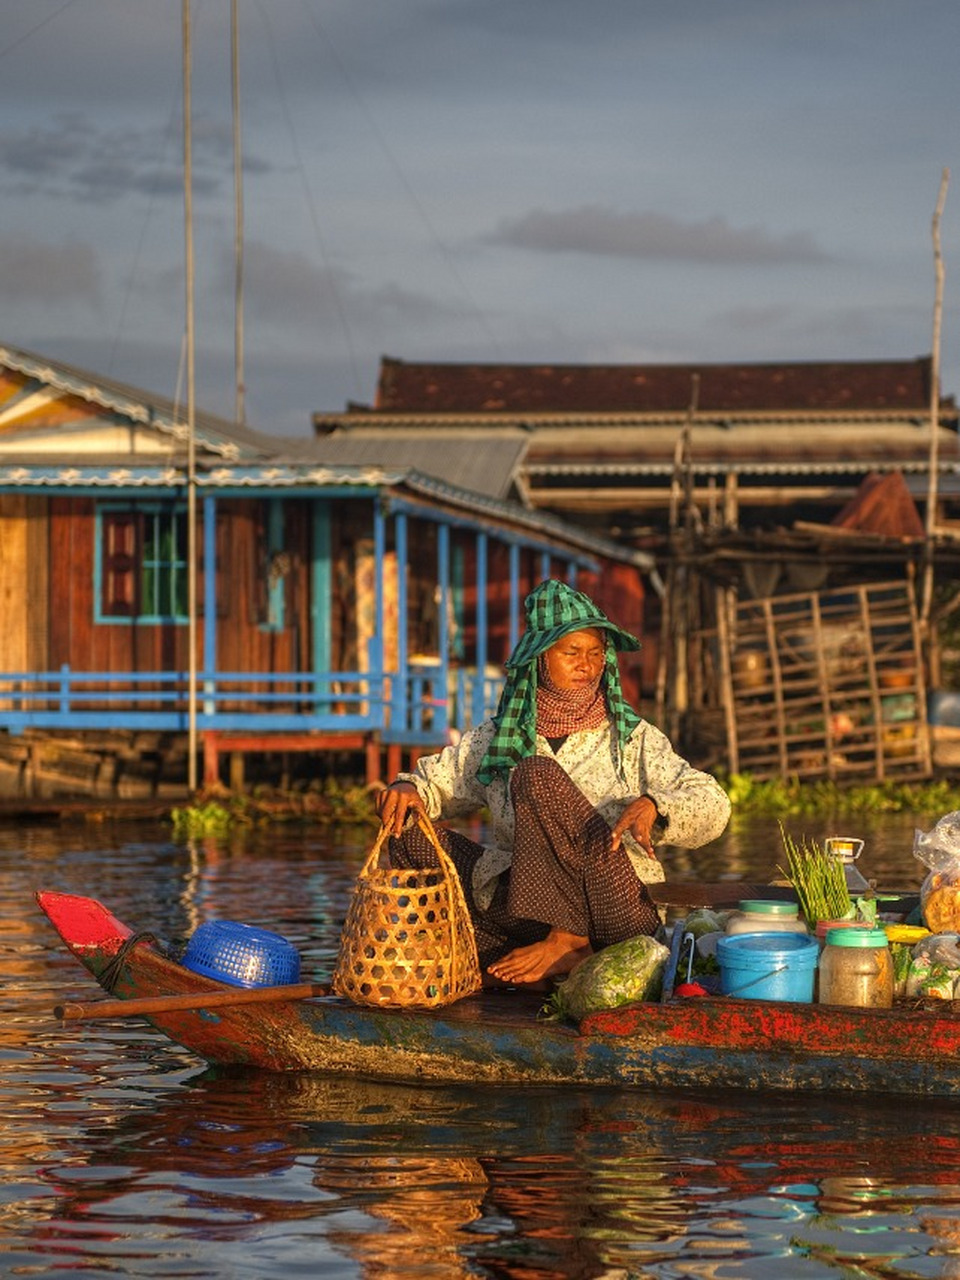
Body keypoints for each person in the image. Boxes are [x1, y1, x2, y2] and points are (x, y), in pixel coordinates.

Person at [376, 579, 731, 988]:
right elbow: (436, 782)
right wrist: (407, 790)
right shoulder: (498, 737)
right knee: (406, 830)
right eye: (572, 653)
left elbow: (714, 803)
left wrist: (656, 804)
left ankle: (571, 944)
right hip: (532, 914)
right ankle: (528, 956)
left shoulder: (634, 739)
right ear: (541, 659)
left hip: (615, 908)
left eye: (597, 653)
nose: (588, 664)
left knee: (535, 773)